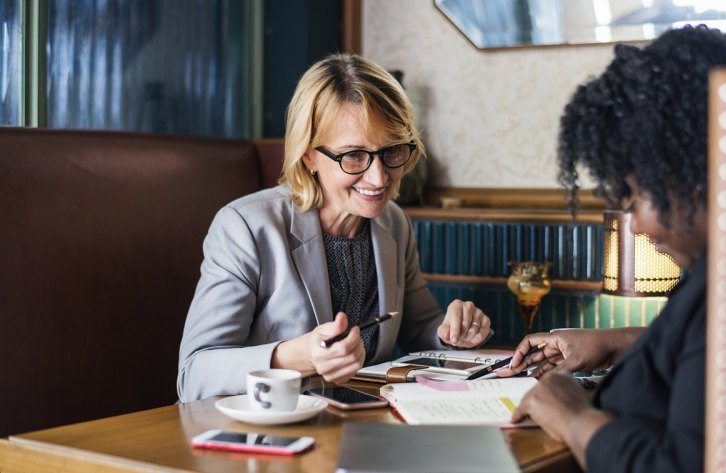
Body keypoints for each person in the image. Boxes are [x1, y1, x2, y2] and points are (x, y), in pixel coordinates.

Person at [498, 26, 726, 472]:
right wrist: (613, 342)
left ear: (693, 169)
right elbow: (704, 357)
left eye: (634, 199)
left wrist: (573, 417)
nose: (642, 226)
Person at [177, 53, 493, 402]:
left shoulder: (393, 223)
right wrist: (298, 358)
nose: (379, 178)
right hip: (266, 437)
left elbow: (419, 327)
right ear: (309, 155)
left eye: (391, 151)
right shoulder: (246, 227)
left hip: (364, 429)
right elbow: (194, 374)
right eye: (354, 155)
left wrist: (453, 331)